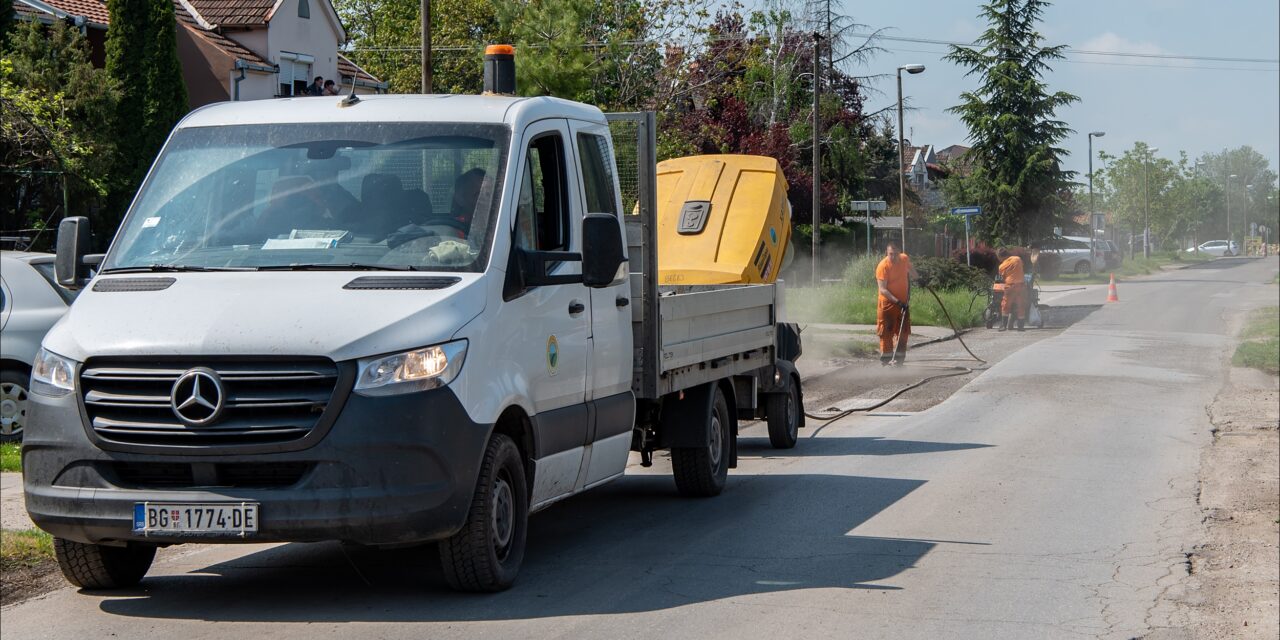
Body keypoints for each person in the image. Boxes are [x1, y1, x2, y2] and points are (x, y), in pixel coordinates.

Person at [875, 240, 919, 365]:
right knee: (886, 332)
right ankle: (886, 360)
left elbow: (911, 269)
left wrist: (919, 279)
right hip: (888, 305)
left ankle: (899, 360)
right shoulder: (883, 266)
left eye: (895, 254)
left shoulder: (904, 259)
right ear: (886, 253)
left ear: (900, 252)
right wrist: (898, 302)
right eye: (890, 254)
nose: (893, 257)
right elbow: (883, 290)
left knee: (903, 332)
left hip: (903, 304)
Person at [996, 247, 1026, 332]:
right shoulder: (1018, 259)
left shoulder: (1001, 266)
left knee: (1005, 305)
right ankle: (1021, 326)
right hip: (1021, 286)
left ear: (1000, 257)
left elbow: (1003, 277)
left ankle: (1003, 326)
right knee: (1021, 305)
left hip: (1010, 287)